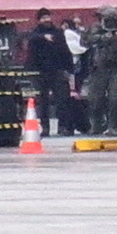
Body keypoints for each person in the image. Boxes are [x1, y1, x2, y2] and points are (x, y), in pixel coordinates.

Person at [82, 5, 117, 136]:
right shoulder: (95, 29)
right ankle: (96, 125)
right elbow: (84, 42)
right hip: (98, 69)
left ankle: (114, 127)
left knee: (115, 99)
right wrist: (101, 38)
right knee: (95, 100)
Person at [27, 8, 73, 137]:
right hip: (39, 72)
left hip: (57, 71)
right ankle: (45, 127)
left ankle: (63, 127)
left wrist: (69, 69)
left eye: (48, 17)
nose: (47, 20)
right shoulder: (35, 34)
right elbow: (29, 39)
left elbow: (65, 51)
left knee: (62, 100)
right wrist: (43, 37)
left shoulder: (58, 33)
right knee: (42, 101)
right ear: (39, 20)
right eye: (43, 18)